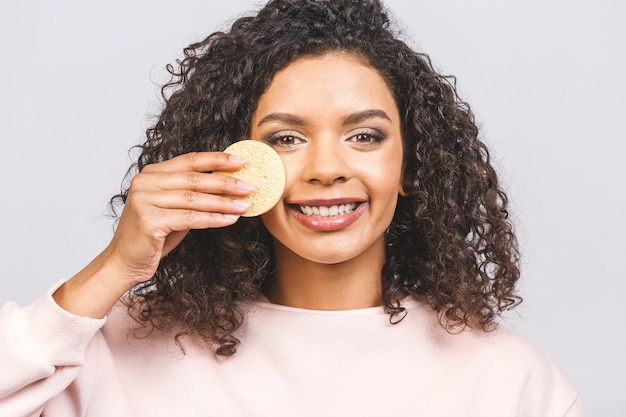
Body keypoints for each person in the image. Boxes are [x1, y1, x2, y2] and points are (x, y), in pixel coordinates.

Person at [0, 0, 584, 416]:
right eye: (286, 138)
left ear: (411, 168)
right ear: (237, 162)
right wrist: (113, 270)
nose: (326, 169)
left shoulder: (510, 381)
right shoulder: (115, 353)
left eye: (365, 136)